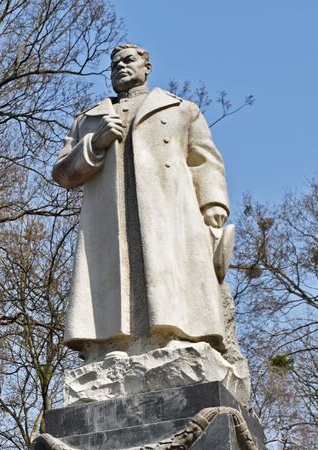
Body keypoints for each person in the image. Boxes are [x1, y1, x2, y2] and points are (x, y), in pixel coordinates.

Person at [52, 43, 231, 362]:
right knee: (114, 275)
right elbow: (63, 173)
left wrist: (213, 205)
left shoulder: (180, 109)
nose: (120, 67)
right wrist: (96, 142)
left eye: (129, 60)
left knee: (169, 269)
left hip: (168, 213)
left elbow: (205, 160)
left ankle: (174, 334)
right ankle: (112, 344)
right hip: (110, 219)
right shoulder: (89, 119)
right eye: (114, 64)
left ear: (147, 66)